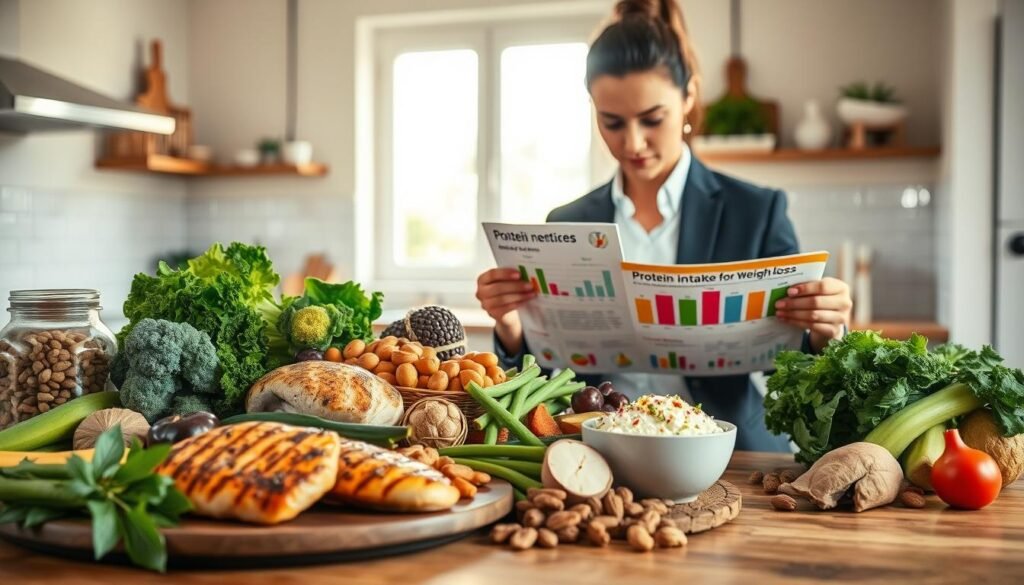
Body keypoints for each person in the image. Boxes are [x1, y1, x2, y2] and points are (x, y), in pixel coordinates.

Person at [474, 0, 852, 451]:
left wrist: (825, 332)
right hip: (601, 449)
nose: (633, 143)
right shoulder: (568, 221)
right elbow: (546, 376)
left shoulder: (755, 210)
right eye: (611, 122)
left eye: (652, 120)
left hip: (730, 451)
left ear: (689, 96)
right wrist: (513, 330)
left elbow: (794, 369)